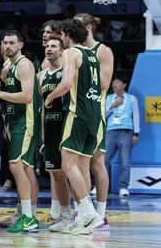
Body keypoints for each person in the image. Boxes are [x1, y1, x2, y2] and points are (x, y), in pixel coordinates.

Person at [45, 18, 104, 235]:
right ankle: (83, 218)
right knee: (80, 165)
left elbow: (67, 83)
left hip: (78, 113)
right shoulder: (92, 55)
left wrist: (50, 97)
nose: (60, 37)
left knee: (67, 163)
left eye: (62, 35)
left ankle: (88, 213)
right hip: (95, 116)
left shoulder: (71, 53)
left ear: (67, 35)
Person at [0, 30, 41, 233]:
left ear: (20, 45)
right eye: (5, 43)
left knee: (17, 166)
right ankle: (25, 213)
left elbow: (26, 96)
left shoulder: (24, 65)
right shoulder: (8, 66)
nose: (7, 46)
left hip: (26, 120)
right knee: (23, 168)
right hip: (13, 122)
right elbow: (7, 102)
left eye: (12, 43)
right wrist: (6, 122)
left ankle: (29, 217)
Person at [74, 13, 113, 231]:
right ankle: (85, 211)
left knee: (95, 162)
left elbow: (105, 83)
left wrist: (85, 67)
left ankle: (100, 213)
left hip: (95, 113)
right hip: (78, 113)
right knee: (79, 163)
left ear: (88, 27)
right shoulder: (75, 51)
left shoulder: (102, 51)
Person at [37, 37, 73, 233]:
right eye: (47, 46)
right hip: (50, 129)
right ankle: (65, 216)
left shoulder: (67, 72)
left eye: (53, 46)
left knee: (73, 173)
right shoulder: (42, 76)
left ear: (62, 51)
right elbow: (42, 107)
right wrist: (42, 135)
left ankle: (83, 215)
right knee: (57, 174)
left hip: (66, 127)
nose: (49, 49)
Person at [105, 73, 141, 197]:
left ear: (124, 85)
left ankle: (123, 187)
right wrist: (112, 106)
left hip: (126, 132)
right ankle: (99, 187)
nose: (114, 84)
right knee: (104, 161)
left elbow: (136, 116)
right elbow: (102, 116)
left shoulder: (132, 99)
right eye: (113, 82)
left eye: (118, 82)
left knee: (125, 161)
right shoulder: (108, 98)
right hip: (110, 131)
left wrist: (136, 133)